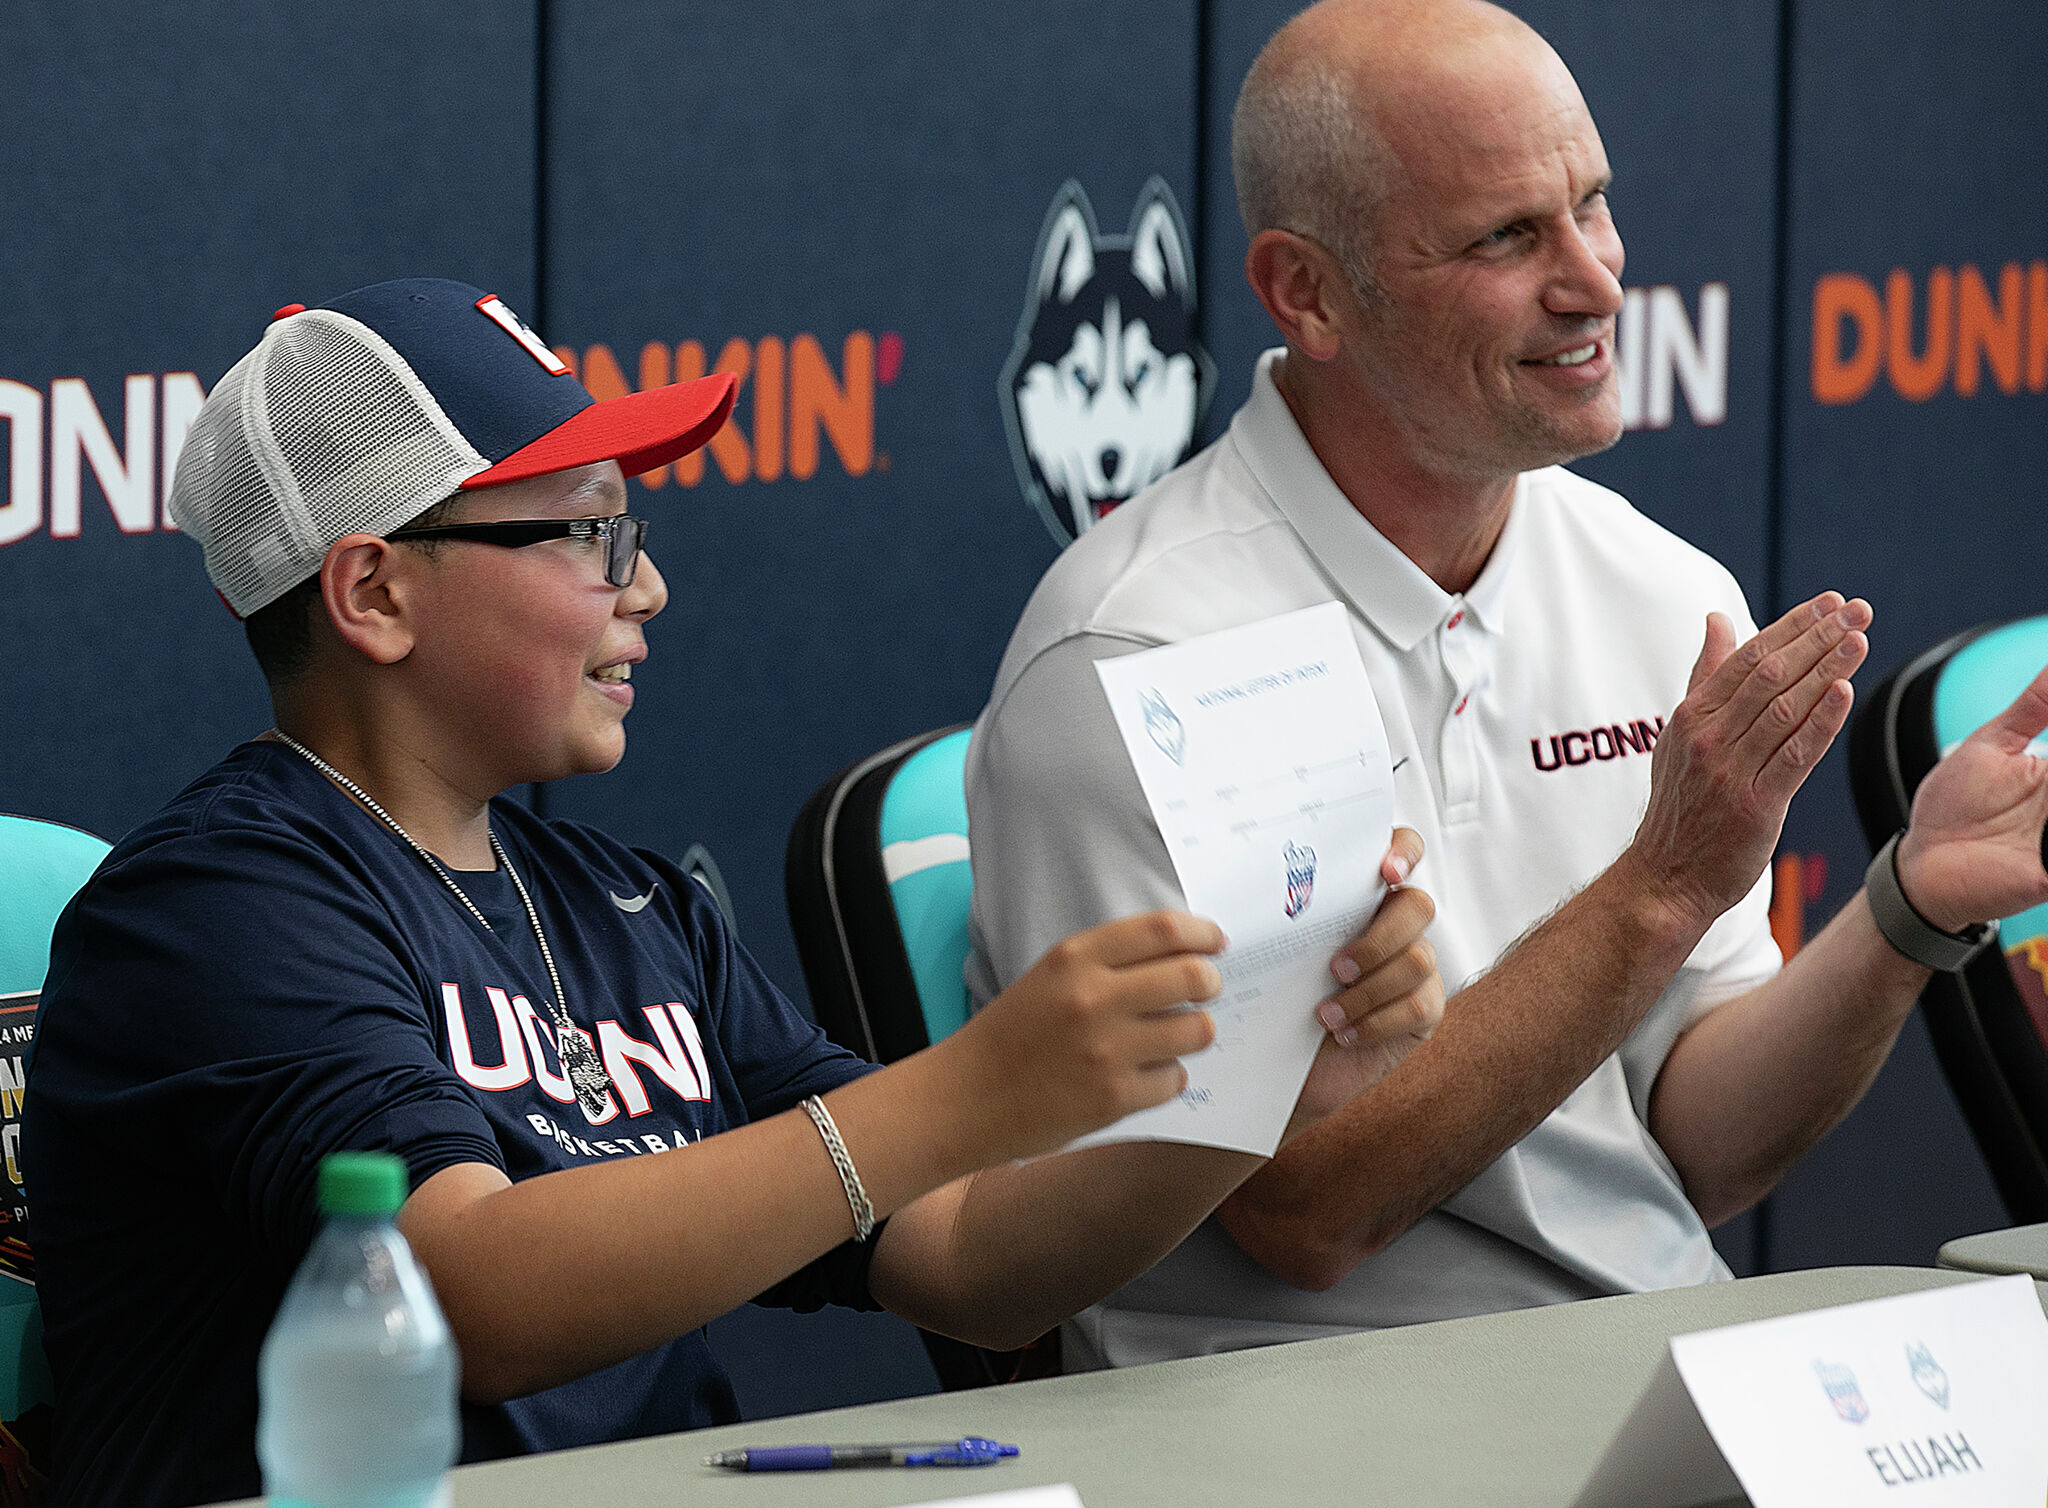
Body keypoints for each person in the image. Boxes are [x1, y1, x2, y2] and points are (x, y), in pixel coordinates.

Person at [21, 278, 1445, 1508]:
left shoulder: (624, 904)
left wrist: (1260, 1066)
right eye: (588, 536)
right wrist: (970, 1096)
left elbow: (970, 1265)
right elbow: (471, 1296)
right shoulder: (216, 906)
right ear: (375, 594)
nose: (647, 589)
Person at [964, 0, 2048, 1370]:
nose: (1596, 280)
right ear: (1308, 293)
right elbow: (1307, 1216)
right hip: (1310, 1430)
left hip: (1654, 1375)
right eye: (1506, 238)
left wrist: (1906, 909)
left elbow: (1695, 1148)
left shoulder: (1665, 592)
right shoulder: (1150, 654)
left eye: (1593, 206)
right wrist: (1661, 884)